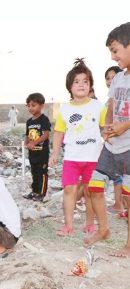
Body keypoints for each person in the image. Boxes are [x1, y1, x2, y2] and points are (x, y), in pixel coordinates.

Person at [49, 59, 107, 237]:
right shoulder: (65, 109)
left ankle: (90, 223)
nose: (81, 85)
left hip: (93, 158)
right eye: (76, 81)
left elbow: (106, 129)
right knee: (69, 189)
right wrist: (55, 153)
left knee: (91, 192)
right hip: (72, 158)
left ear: (90, 85)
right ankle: (68, 225)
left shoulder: (99, 106)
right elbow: (58, 133)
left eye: (85, 81)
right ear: (69, 86)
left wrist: (104, 144)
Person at [86, 22, 130, 254]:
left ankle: (129, 244)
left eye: (115, 50)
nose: (113, 57)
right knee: (94, 186)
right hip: (112, 146)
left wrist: (126, 125)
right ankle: (104, 229)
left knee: (128, 198)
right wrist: (108, 127)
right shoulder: (119, 79)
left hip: (129, 148)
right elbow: (111, 106)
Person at [104, 65, 127, 217]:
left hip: (125, 144)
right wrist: (106, 131)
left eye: (113, 77)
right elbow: (109, 115)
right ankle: (122, 206)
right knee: (120, 177)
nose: (110, 81)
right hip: (115, 143)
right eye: (107, 78)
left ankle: (120, 205)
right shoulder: (110, 101)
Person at [22, 93, 51, 202]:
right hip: (32, 153)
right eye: (28, 105)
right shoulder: (29, 122)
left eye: (33, 105)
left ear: (41, 106)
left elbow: (46, 134)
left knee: (42, 172)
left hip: (42, 152)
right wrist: (27, 144)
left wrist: (34, 143)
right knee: (34, 172)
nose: (30, 108)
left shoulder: (44, 119)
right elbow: (27, 135)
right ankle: (34, 191)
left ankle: (42, 194)